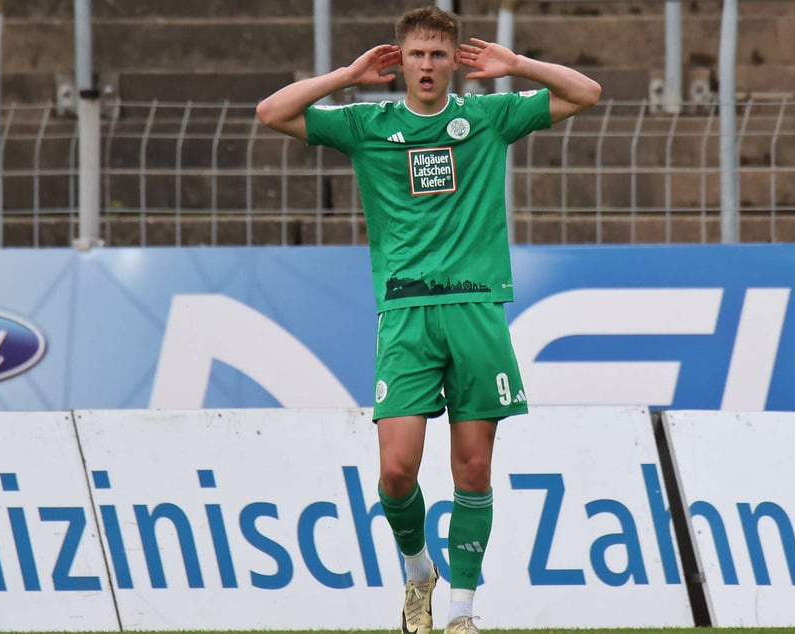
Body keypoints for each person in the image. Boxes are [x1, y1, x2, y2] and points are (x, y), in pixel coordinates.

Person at [257, 6, 600, 634]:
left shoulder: (488, 117)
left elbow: (587, 92)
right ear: (401, 58)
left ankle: (463, 614)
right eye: (416, 54)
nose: (427, 65)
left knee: (472, 467)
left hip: (475, 308)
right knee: (396, 470)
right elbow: (271, 113)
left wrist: (516, 65)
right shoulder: (367, 124)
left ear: (454, 64)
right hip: (405, 314)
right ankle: (419, 571)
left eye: (439, 55)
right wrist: (347, 75)